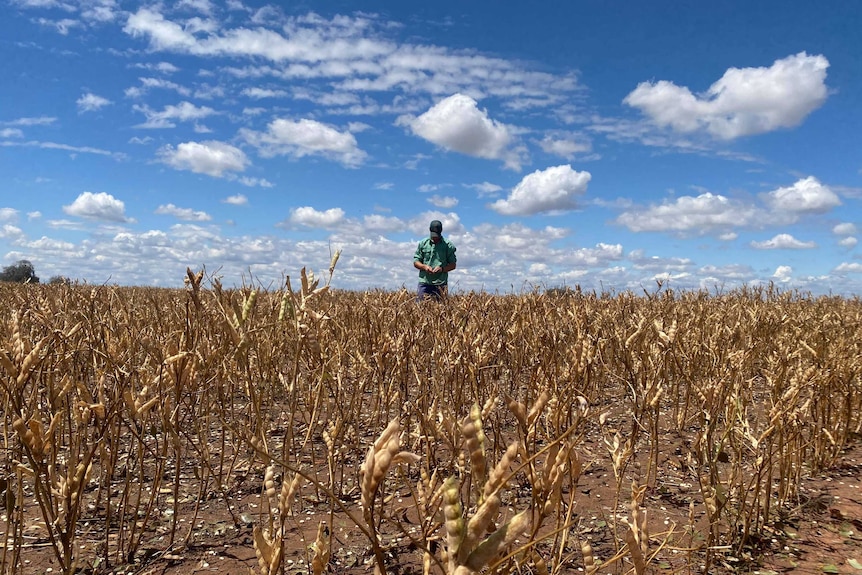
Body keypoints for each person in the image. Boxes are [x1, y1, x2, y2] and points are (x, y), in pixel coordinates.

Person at [413, 220, 457, 301]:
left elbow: (453, 265)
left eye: (437, 235)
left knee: (442, 310)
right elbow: (416, 262)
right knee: (420, 309)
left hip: (441, 284)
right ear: (430, 230)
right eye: (433, 235)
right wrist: (424, 267)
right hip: (424, 283)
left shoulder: (448, 245)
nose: (435, 238)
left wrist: (442, 269)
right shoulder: (423, 243)